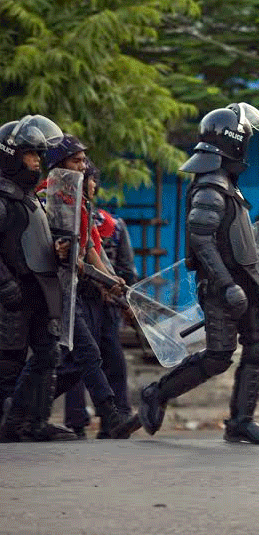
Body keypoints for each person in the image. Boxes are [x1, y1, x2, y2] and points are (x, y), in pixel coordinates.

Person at [137, 103, 259, 445]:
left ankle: (241, 421)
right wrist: (227, 284)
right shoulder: (210, 187)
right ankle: (156, 393)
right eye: (243, 139)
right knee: (218, 356)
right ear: (232, 142)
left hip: (243, 281)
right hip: (222, 285)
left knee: (258, 346)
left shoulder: (227, 184)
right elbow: (201, 239)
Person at [38, 136, 138, 440]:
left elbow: (91, 247)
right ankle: (110, 415)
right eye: (76, 161)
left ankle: (25, 410)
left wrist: (110, 280)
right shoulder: (46, 197)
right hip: (49, 290)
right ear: (58, 165)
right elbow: (57, 251)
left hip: (72, 289)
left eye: (84, 161)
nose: (84, 167)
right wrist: (90, 271)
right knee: (81, 355)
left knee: (73, 361)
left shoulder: (79, 199)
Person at [0, 115, 77, 441]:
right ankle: (11, 424)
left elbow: (33, 241)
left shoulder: (28, 197)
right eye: (29, 155)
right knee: (9, 365)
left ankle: (34, 422)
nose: (36, 162)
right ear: (10, 155)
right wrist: (5, 285)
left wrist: (57, 249)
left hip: (39, 291)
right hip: (13, 293)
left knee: (49, 355)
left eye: (37, 155)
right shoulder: (3, 198)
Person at [61, 160, 137, 438]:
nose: (91, 184)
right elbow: (125, 268)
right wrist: (119, 290)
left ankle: (82, 420)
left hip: (99, 298)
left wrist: (119, 292)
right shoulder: (108, 223)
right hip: (94, 299)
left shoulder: (101, 221)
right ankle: (113, 416)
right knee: (94, 357)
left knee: (88, 358)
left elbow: (111, 264)